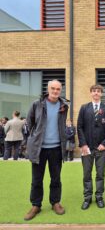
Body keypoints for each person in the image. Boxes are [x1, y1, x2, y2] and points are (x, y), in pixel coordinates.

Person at [24, 80, 69, 221]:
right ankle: (36, 205)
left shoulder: (64, 106)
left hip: (56, 148)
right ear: (48, 89)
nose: (55, 91)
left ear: (60, 90)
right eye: (53, 88)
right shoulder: (37, 105)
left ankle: (55, 202)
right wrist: (30, 142)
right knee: (36, 179)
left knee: (56, 178)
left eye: (58, 89)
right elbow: (29, 124)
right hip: (39, 149)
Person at [77, 84, 105, 210]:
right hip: (87, 148)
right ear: (91, 93)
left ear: (101, 94)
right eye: (94, 91)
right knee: (87, 174)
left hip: (101, 148)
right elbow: (79, 127)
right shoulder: (84, 108)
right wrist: (83, 144)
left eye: (98, 91)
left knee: (100, 174)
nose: (96, 93)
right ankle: (87, 198)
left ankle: (99, 197)